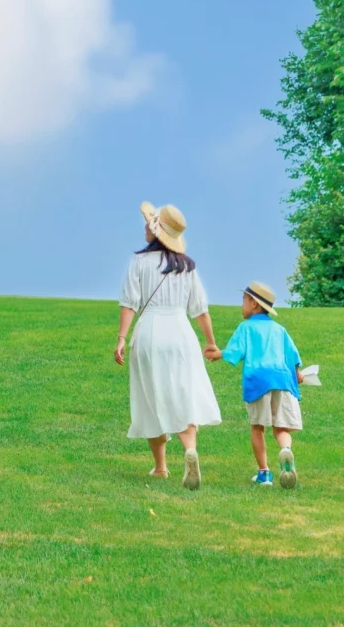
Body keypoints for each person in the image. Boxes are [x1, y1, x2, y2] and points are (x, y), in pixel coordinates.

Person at [115, 201, 222, 489]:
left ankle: (161, 467)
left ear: (154, 228)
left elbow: (129, 304)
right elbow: (200, 309)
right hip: (181, 333)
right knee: (183, 393)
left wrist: (122, 338)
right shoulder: (187, 266)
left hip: (149, 332)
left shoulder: (138, 262)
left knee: (151, 396)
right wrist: (211, 342)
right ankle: (190, 450)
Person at [207, 280, 304, 488]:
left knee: (257, 427)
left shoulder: (246, 327)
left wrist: (218, 354)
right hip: (282, 379)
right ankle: (286, 451)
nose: (241, 305)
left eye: (243, 300)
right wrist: (298, 373)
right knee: (281, 428)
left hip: (259, 380)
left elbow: (235, 351)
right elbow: (293, 356)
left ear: (254, 304)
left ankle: (264, 474)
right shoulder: (279, 330)